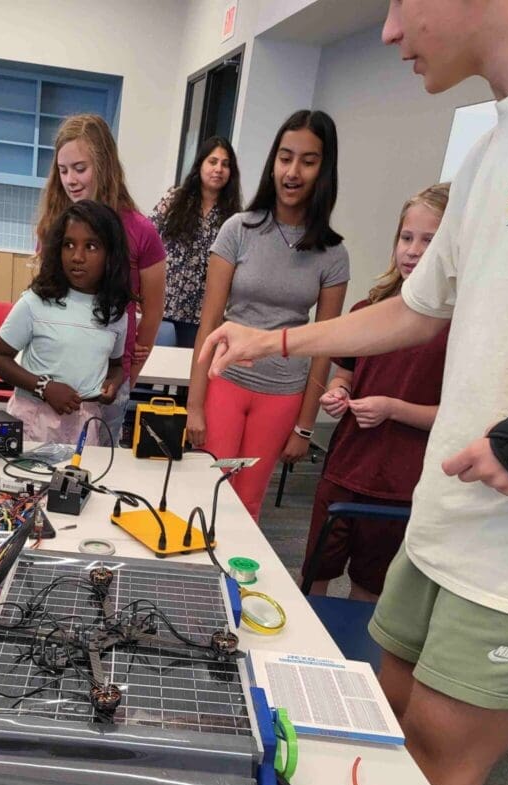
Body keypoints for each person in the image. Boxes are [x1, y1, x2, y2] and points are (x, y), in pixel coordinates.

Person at [202, 0, 508, 785]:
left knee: (444, 755)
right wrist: (282, 343)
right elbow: (420, 305)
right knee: (391, 728)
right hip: (447, 516)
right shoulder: (496, 140)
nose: (388, 31)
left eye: (401, 1)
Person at [186, 110, 350, 521]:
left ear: (324, 169)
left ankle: (233, 584)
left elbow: (324, 345)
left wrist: (306, 426)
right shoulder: (237, 230)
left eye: (308, 161)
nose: (292, 172)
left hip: (282, 394)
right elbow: (209, 323)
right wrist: (195, 405)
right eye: (284, 157)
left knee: (248, 503)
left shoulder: (333, 254)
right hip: (225, 382)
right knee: (208, 494)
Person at [303, 183, 451, 602]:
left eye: (429, 240)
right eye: (407, 237)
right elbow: (343, 374)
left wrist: (393, 409)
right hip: (344, 469)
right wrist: (337, 391)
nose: (413, 251)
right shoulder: (368, 312)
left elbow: (459, 416)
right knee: (314, 575)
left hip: (399, 484)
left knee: (369, 592)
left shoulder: (457, 329)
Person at [35, 114, 165, 444]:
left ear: (104, 164)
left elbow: (152, 311)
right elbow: (41, 302)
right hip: (55, 373)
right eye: (63, 170)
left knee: (94, 471)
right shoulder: (54, 224)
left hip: (108, 382)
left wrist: (128, 373)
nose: (70, 179)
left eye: (80, 168)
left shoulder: (140, 230)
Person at [0, 201, 130, 444]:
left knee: (77, 482)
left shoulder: (114, 313)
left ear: (110, 254)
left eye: (91, 246)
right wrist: (45, 387)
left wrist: (113, 383)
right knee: (28, 481)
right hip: (35, 420)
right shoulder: (36, 302)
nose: (77, 256)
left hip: (85, 424)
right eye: (69, 245)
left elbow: (115, 365)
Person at [149, 136, 242, 349]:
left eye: (225, 164)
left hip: (202, 317)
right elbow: (146, 240)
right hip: (163, 307)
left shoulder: (235, 217)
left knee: (187, 377)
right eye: (213, 161)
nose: (218, 169)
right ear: (200, 164)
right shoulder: (174, 199)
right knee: (153, 374)